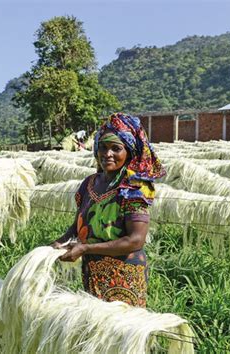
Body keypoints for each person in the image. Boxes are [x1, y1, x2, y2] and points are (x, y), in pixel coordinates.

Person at [51, 113, 165, 307]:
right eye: (103, 147)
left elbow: (135, 240)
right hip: (92, 272)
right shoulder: (90, 183)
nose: (108, 154)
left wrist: (85, 248)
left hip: (124, 275)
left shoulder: (134, 187)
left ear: (128, 151)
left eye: (116, 148)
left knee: (122, 331)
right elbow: (79, 225)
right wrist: (59, 243)